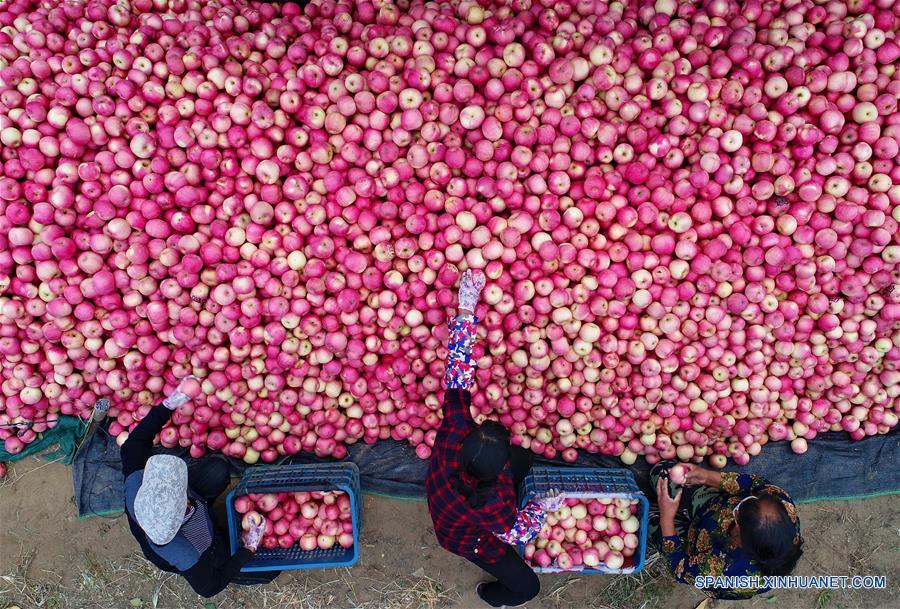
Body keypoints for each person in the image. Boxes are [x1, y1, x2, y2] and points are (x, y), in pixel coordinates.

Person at [426, 269, 561, 608]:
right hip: (462, 536)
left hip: (445, 497)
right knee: (527, 587)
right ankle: (491, 595)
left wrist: (466, 307)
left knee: (526, 458)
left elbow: (457, 371)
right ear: (500, 470)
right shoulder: (494, 505)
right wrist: (541, 508)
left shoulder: (455, 429)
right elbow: (519, 532)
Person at [120, 377, 280, 597]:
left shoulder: (136, 483)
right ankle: (228, 552)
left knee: (216, 470)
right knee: (266, 571)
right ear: (183, 509)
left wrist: (169, 404)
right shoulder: (187, 553)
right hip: (205, 549)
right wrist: (248, 549)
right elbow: (208, 588)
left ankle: (207, 508)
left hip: (182, 507)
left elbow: (134, 443)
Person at [649, 462, 803, 600]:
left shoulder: (722, 571)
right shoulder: (783, 504)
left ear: (740, 540)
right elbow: (756, 484)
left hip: (691, 548)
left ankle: (659, 515)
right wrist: (706, 476)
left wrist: (666, 518)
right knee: (663, 473)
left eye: (737, 516)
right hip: (711, 508)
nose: (748, 499)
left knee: (644, 516)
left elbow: (678, 567)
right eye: (752, 499)